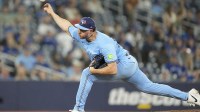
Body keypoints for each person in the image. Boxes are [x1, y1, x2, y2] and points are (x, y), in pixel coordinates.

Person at [43, 3, 200, 112]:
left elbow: (112, 69)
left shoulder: (104, 43)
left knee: (87, 74)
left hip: (123, 65)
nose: (79, 32)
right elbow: (66, 25)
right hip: (130, 63)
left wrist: (92, 70)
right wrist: (52, 13)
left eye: (83, 30)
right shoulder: (81, 35)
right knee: (150, 87)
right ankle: (189, 96)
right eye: (79, 28)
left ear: (91, 30)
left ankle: (78, 109)